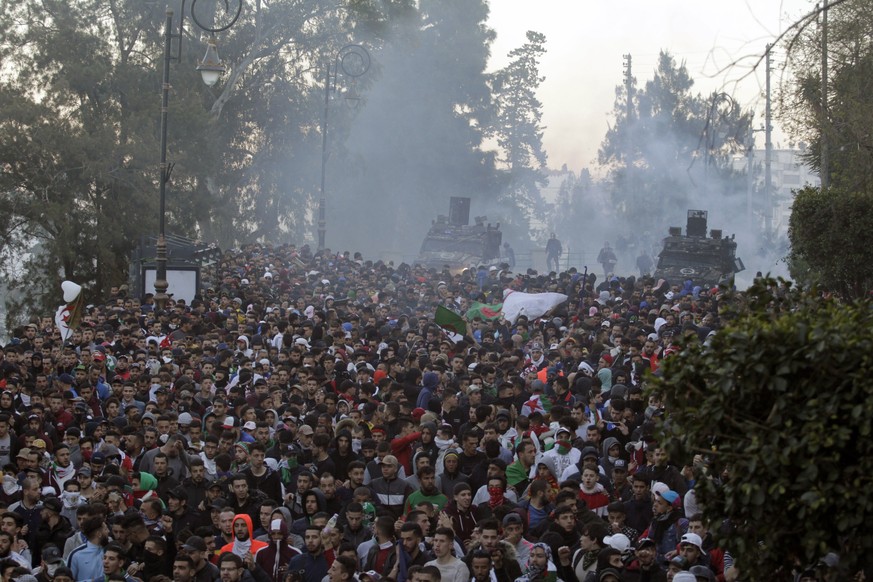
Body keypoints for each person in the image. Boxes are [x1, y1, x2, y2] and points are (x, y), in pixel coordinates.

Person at [67, 516, 108, 582]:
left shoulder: (110, 551)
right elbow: (67, 580)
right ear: (99, 534)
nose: (108, 532)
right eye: (106, 529)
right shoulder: (76, 555)